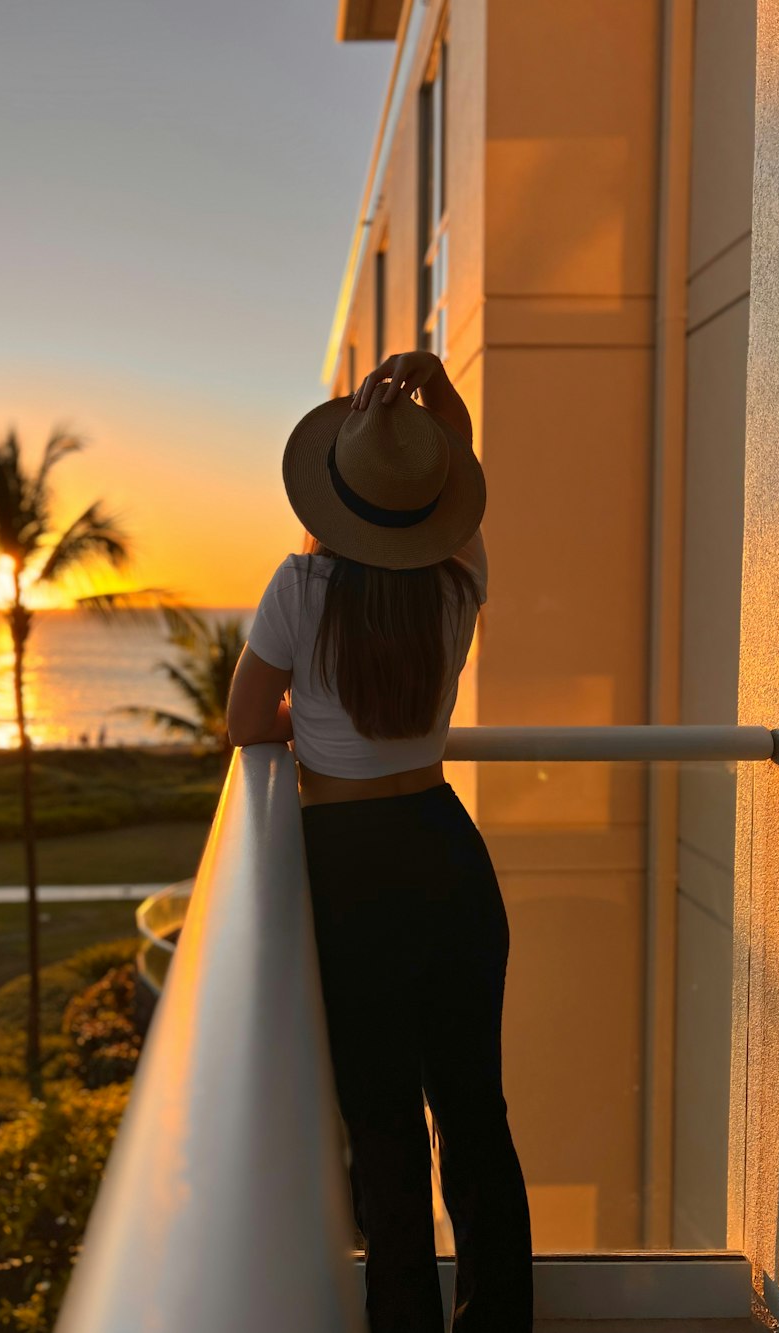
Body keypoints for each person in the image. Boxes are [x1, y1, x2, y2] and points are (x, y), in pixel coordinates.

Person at [226, 350, 533, 1333]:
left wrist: (314, 732)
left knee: (385, 1121)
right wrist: (439, 411)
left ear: (338, 489)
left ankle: (400, 1321)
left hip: (348, 862)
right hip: (446, 850)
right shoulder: (457, 580)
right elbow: (456, 490)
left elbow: (243, 721)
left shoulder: (300, 584)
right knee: (473, 1113)